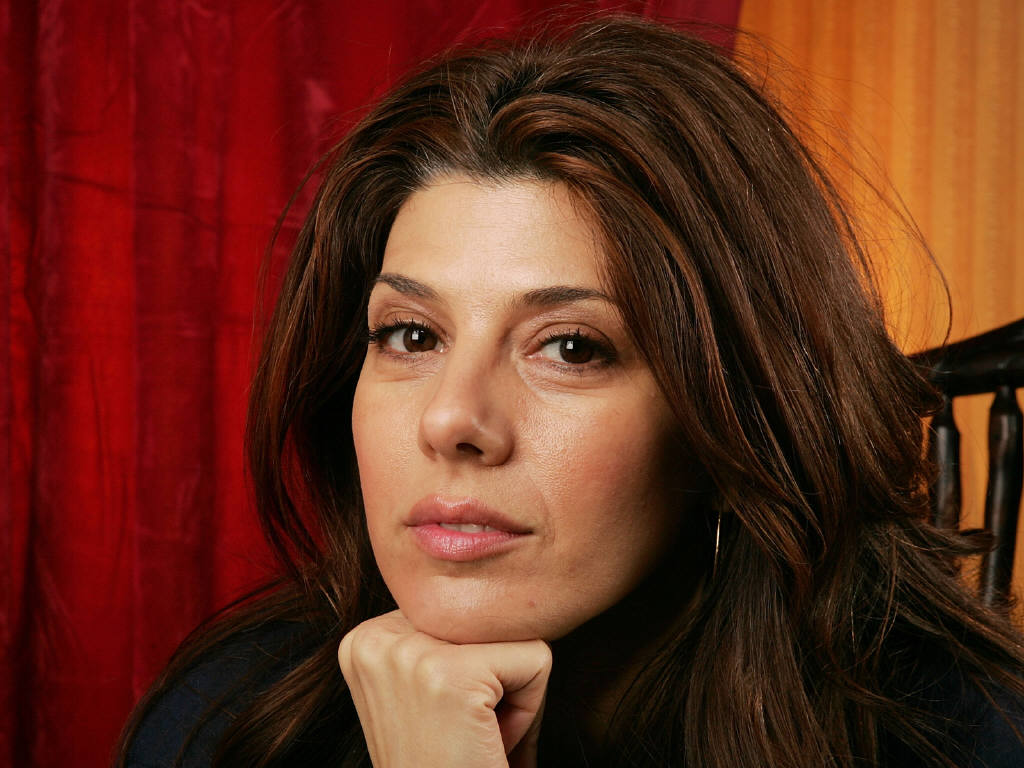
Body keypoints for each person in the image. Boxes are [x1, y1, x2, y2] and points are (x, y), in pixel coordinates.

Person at [115, 15, 1024, 768]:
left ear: (727, 423)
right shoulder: (226, 721)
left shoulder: (966, 737)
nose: (452, 420)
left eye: (572, 348)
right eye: (412, 335)